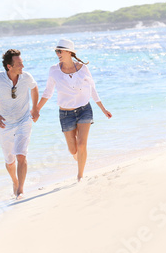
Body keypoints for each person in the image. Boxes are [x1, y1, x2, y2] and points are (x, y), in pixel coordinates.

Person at [37, 39, 112, 182]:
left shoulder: (83, 68)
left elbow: (92, 89)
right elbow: (47, 92)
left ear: (69, 52)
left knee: (82, 144)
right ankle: (79, 157)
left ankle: (80, 176)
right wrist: (37, 110)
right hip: (66, 114)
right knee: (73, 150)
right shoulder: (54, 70)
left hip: (85, 109)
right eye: (56, 51)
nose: (57, 53)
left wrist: (103, 108)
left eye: (60, 51)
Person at [0, 49, 40, 199]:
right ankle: (15, 182)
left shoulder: (26, 77)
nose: (23, 66)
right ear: (9, 66)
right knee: (10, 161)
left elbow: (34, 88)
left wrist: (35, 108)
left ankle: (20, 190)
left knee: (21, 155)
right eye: (19, 64)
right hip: (5, 124)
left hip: (24, 120)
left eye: (22, 63)